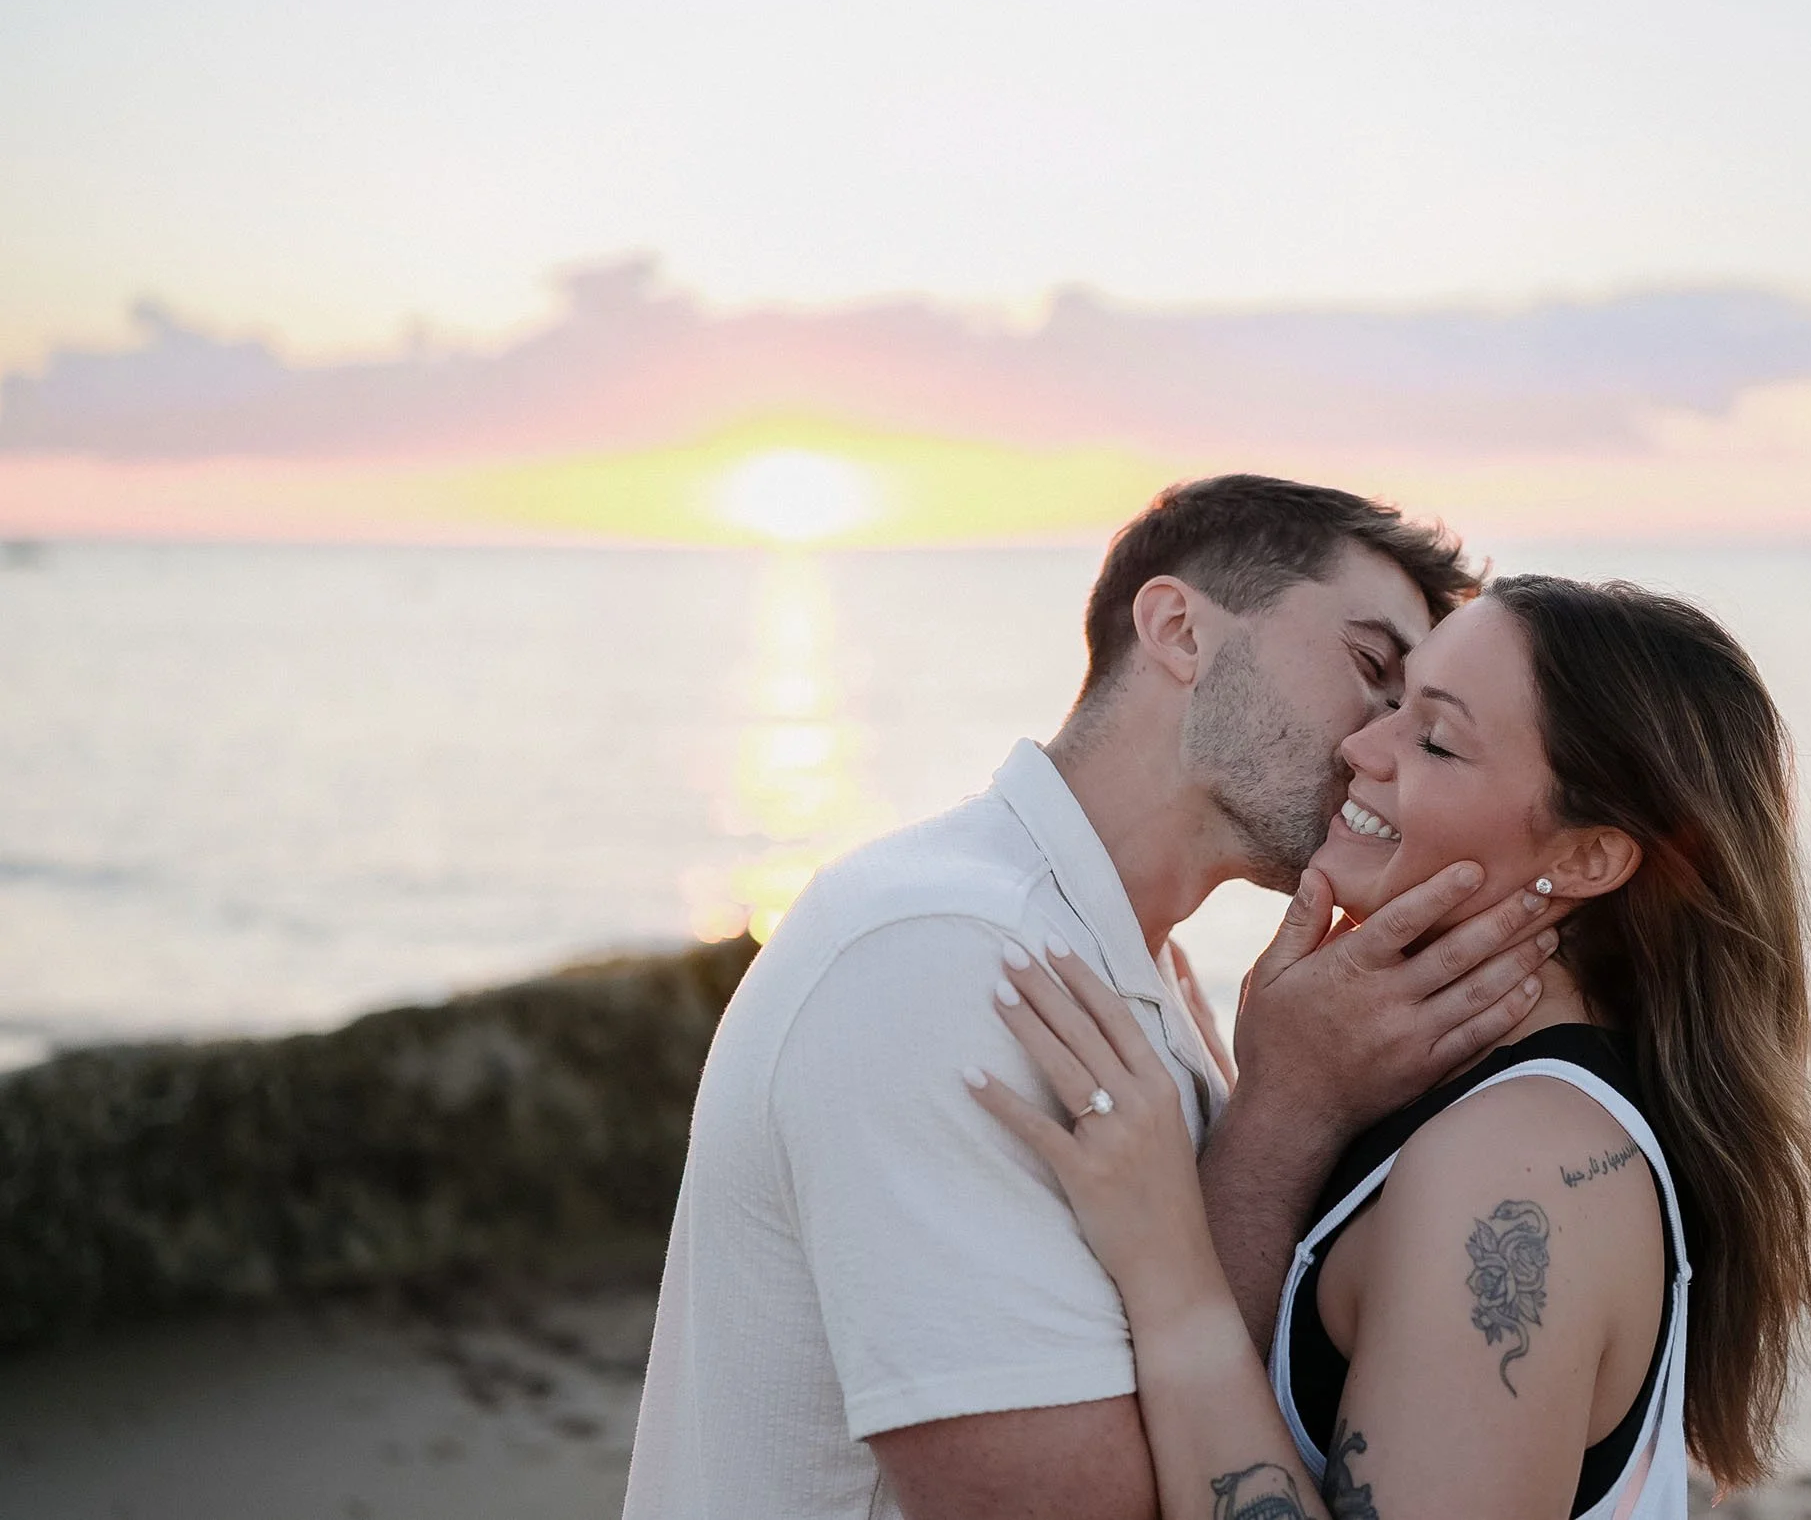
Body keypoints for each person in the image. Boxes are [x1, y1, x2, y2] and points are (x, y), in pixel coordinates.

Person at [623, 475, 1569, 1520]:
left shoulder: (1119, 962)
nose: (1377, 749)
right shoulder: (947, 959)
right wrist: (1288, 1112)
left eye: (1418, 716)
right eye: (1368, 669)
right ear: (1176, 628)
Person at [971, 575, 1811, 1518]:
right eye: (1391, 702)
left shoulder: (1517, 1169)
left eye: (1434, 739)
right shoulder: (1466, 1106)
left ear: (1587, 856)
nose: (1359, 746)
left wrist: (1169, 1267)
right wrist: (1264, 1096)